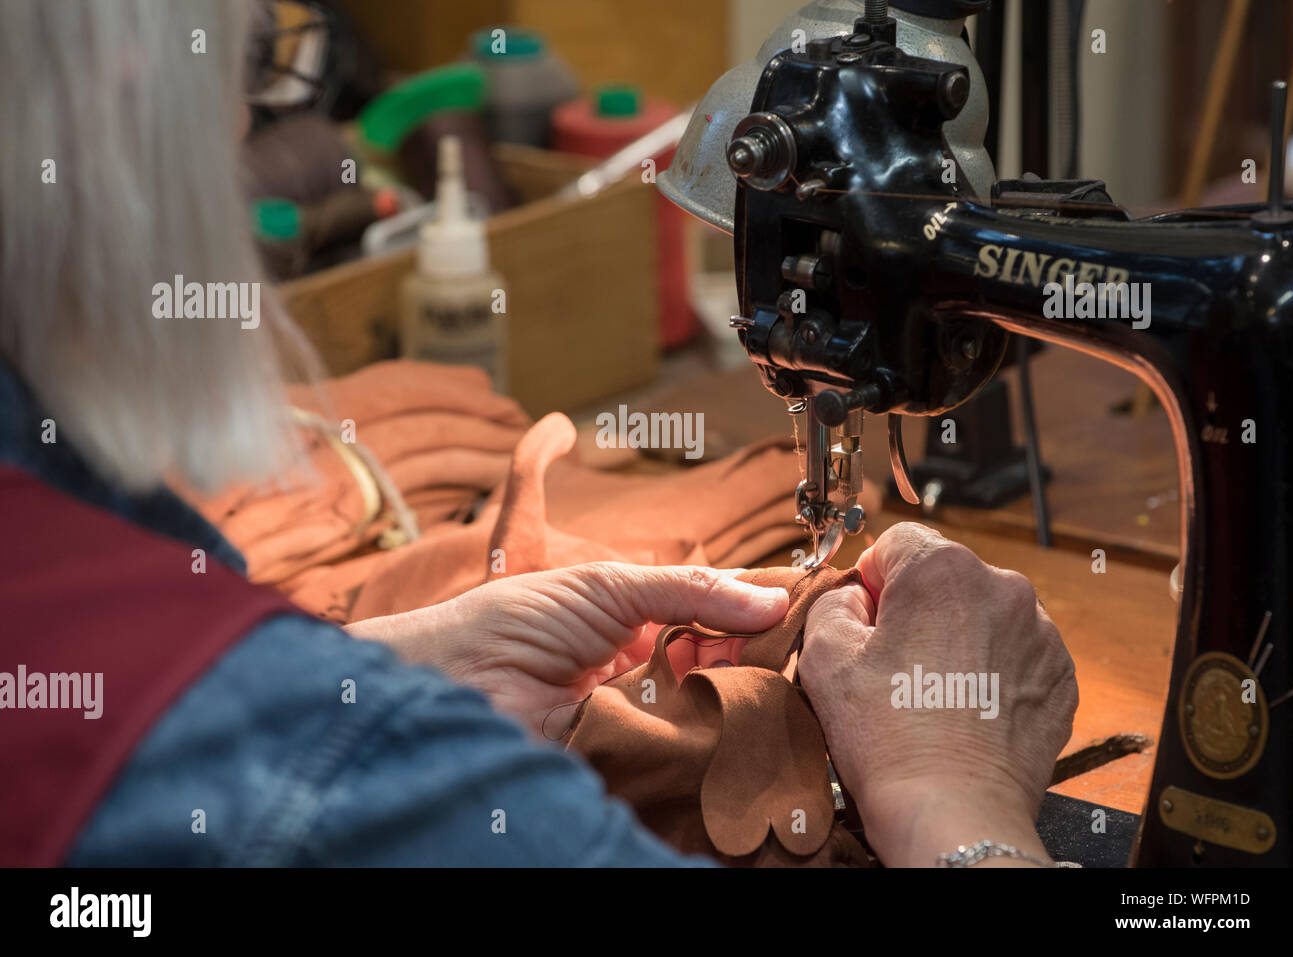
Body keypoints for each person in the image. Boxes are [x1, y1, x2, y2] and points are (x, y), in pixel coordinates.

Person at [0, 0, 1077, 867]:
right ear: (122, 90)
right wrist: (952, 806)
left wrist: (408, 664)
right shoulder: (328, 783)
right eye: (241, 65)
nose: (241, 125)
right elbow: (264, 751)